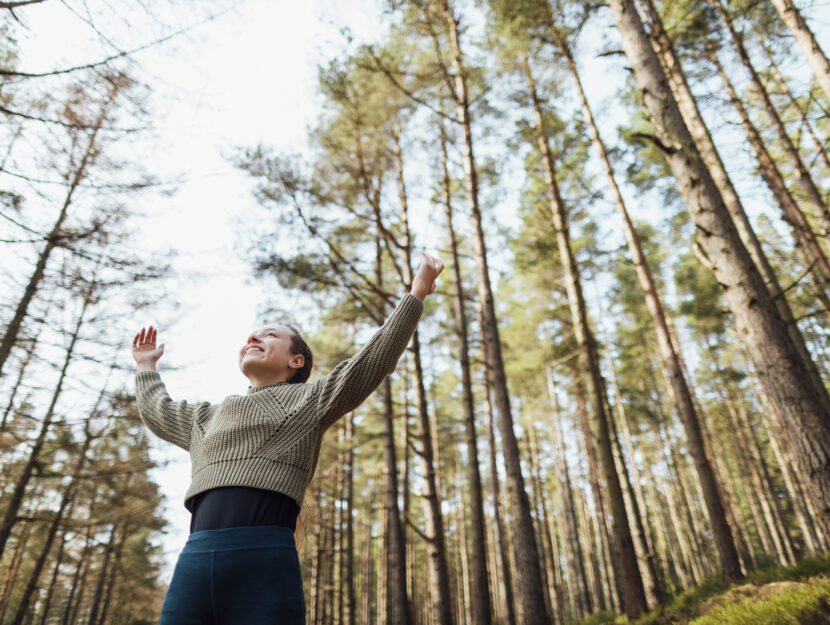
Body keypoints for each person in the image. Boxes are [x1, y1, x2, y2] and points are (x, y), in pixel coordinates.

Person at [132, 252, 444, 625]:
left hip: (265, 558)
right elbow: (158, 410)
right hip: (195, 560)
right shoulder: (205, 418)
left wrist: (417, 293)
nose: (253, 337)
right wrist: (147, 366)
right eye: (253, 334)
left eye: (270, 335)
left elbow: (370, 361)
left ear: (296, 361)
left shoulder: (309, 401)